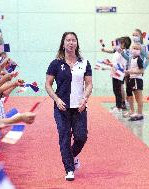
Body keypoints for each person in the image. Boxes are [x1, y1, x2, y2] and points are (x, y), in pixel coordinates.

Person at [45, 32, 93, 181]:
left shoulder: (84, 63)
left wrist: (84, 99)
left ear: (77, 43)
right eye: (68, 40)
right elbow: (48, 84)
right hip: (62, 108)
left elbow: (89, 84)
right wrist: (57, 99)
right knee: (64, 137)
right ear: (63, 43)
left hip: (79, 107)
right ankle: (69, 169)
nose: (71, 43)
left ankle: (71, 158)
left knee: (81, 137)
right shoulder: (56, 63)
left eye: (73, 40)